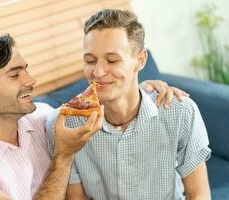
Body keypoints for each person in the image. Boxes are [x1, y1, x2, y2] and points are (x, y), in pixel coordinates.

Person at [0, 34, 186, 200]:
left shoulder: (39, 117)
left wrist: (139, 90)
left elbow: (99, 109)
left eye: (26, 70)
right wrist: (64, 155)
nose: (31, 81)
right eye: (15, 74)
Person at [46, 9, 211, 200]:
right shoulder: (65, 127)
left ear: (140, 61)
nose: (98, 72)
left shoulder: (181, 112)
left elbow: (198, 194)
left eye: (112, 60)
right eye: (90, 60)